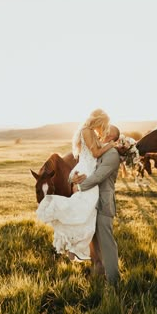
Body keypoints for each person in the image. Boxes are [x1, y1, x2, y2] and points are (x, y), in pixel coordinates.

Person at [36, 109, 115, 260]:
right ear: (99, 121)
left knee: (88, 209)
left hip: (89, 169)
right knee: (84, 207)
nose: (104, 127)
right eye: (104, 124)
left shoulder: (90, 131)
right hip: (87, 171)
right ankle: (73, 243)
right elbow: (95, 154)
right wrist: (111, 145)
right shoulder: (87, 130)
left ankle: (77, 246)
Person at [71, 124, 121, 285]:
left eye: (106, 131)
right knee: (94, 242)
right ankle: (99, 273)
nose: (101, 133)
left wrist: (79, 186)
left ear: (111, 137)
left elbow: (98, 176)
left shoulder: (112, 154)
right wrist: (74, 178)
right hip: (89, 204)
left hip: (104, 204)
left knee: (107, 243)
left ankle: (114, 282)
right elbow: (79, 169)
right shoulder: (95, 152)